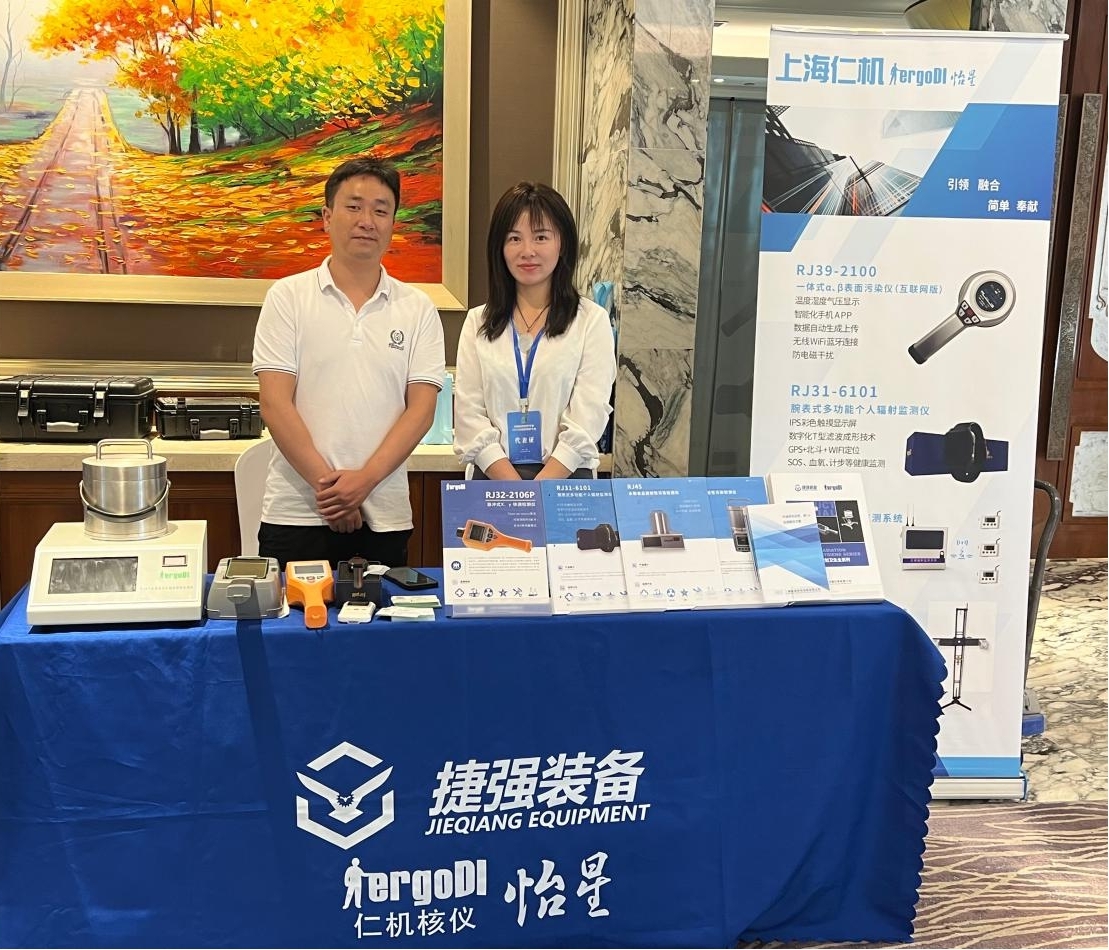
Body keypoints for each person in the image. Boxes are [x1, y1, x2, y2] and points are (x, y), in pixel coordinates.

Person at [252, 156, 445, 569]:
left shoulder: (418, 308)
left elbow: (421, 411)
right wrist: (334, 493)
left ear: (392, 223)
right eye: (354, 207)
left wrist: (363, 483)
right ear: (327, 217)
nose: (366, 221)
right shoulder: (287, 297)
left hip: (384, 515)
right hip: (297, 513)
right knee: (292, 612)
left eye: (380, 210)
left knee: (382, 612)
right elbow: (274, 403)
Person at [453, 181, 616, 480]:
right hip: (493, 479)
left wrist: (540, 489)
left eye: (541, 237)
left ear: (562, 243)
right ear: (500, 248)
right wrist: (515, 489)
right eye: (514, 238)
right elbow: (468, 414)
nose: (527, 251)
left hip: (567, 478)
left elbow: (589, 413)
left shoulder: (591, 321)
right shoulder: (477, 322)